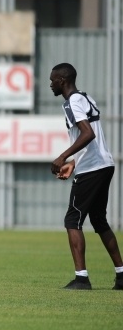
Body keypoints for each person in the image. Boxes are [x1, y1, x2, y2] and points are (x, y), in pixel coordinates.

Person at [49, 63, 123, 290]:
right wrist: (74, 163)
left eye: (53, 80)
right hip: (104, 164)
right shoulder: (85, 97)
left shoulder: (71, 102)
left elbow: (88, 133)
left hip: (92, 169)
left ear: (62, 80)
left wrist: (62, 156)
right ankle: (122, 275)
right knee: (99, 220)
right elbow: (92, 136)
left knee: (73, 220)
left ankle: (81, 279)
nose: (50, 84)